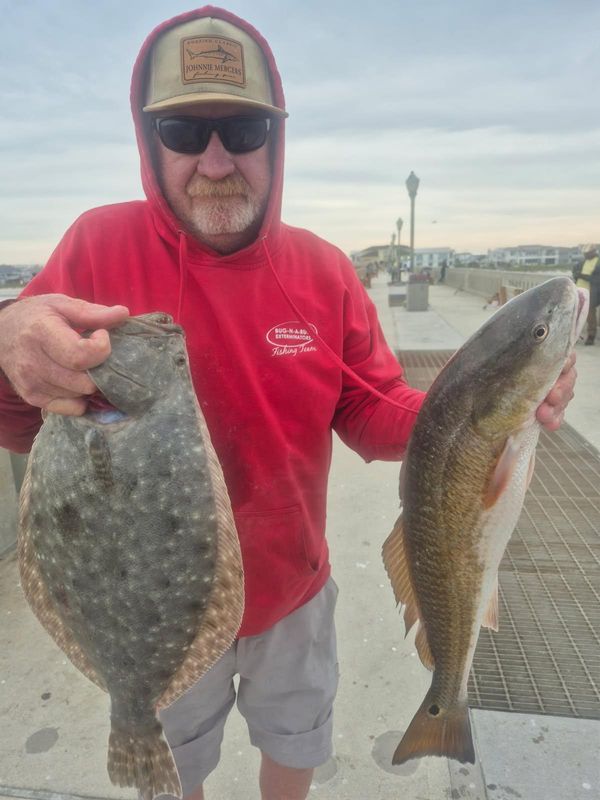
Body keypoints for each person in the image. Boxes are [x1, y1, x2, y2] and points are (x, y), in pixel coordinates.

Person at [0, 7, 577, 800]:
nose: (213, 160)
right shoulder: (94, 247)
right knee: (175, 767)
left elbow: (374, 411)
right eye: (182, 132)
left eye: (240, 130)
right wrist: (8, 334)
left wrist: (483, 411)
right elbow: (17, 408)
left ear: (275, 139)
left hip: (294, 592)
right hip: (156, 604)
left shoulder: (322, 270)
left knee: (296, 738)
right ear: (147, 138)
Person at [573, 244, 600, 344]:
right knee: (575, 315)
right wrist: (576, 274)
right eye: (585, 254)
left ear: (593, 252)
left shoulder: (598, 262)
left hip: (591, 293)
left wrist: (584, 276)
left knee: (590, 317)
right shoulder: (583, 262)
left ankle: (591, 336)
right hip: (579, 291)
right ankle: (574, 336)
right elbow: (576, 271)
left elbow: (597, 279)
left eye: (587, 254)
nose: (586, 255)